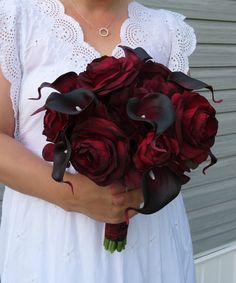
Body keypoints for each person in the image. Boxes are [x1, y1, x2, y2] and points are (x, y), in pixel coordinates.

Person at [0, 0, 197, 282]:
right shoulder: (15, 18)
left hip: (150, 237)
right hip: (51, 240)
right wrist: (71, 195)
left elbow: (184, 136)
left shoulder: (167, 30)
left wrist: (153, 177)